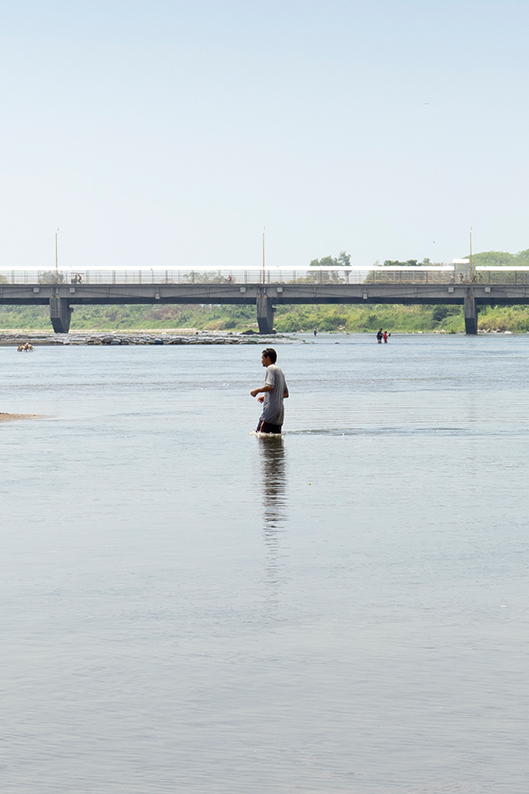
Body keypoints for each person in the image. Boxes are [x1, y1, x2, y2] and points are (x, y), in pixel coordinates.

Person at [251, 348, 289, 434]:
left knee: (260, 437)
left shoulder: (270, 368)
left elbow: (270, 386)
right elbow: (286, 394)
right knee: (275, 442)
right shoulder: (280, 371)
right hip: (279, 413)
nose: (261, 361)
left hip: (270, 412)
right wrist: (266, 397)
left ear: (268, 358)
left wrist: (256, 391)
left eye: (262, 358)